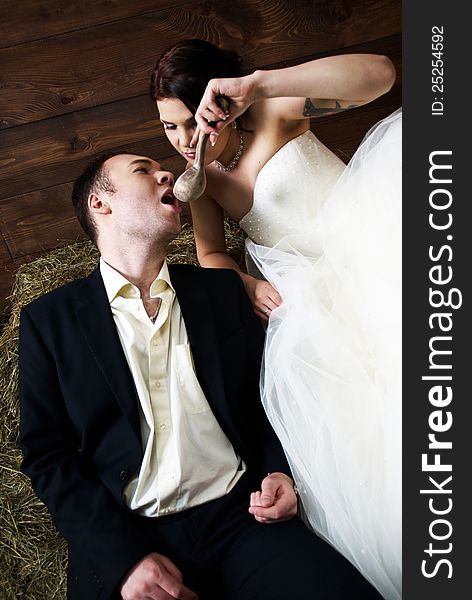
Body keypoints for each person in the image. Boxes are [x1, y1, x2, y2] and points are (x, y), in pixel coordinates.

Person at [19, 152, 382, 600]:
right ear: (100, 204)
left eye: (161, 168)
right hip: (130, 540)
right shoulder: (48, 321)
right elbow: (47, 457)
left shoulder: (222, 291)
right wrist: (122, 562)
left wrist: (279, 473)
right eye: (142, 170)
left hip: (244, 522)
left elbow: (264, 400)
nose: (165, 173)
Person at [150, 39, 402, 599]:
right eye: (169, 127)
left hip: (374, 253)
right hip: (312, 300)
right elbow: (211, 252)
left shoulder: (274, 111)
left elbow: (380, 75)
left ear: (224, 101)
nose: (184, 139)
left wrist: (259, 84)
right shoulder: (202, 180)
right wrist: (245, 280)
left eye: (193, 120)